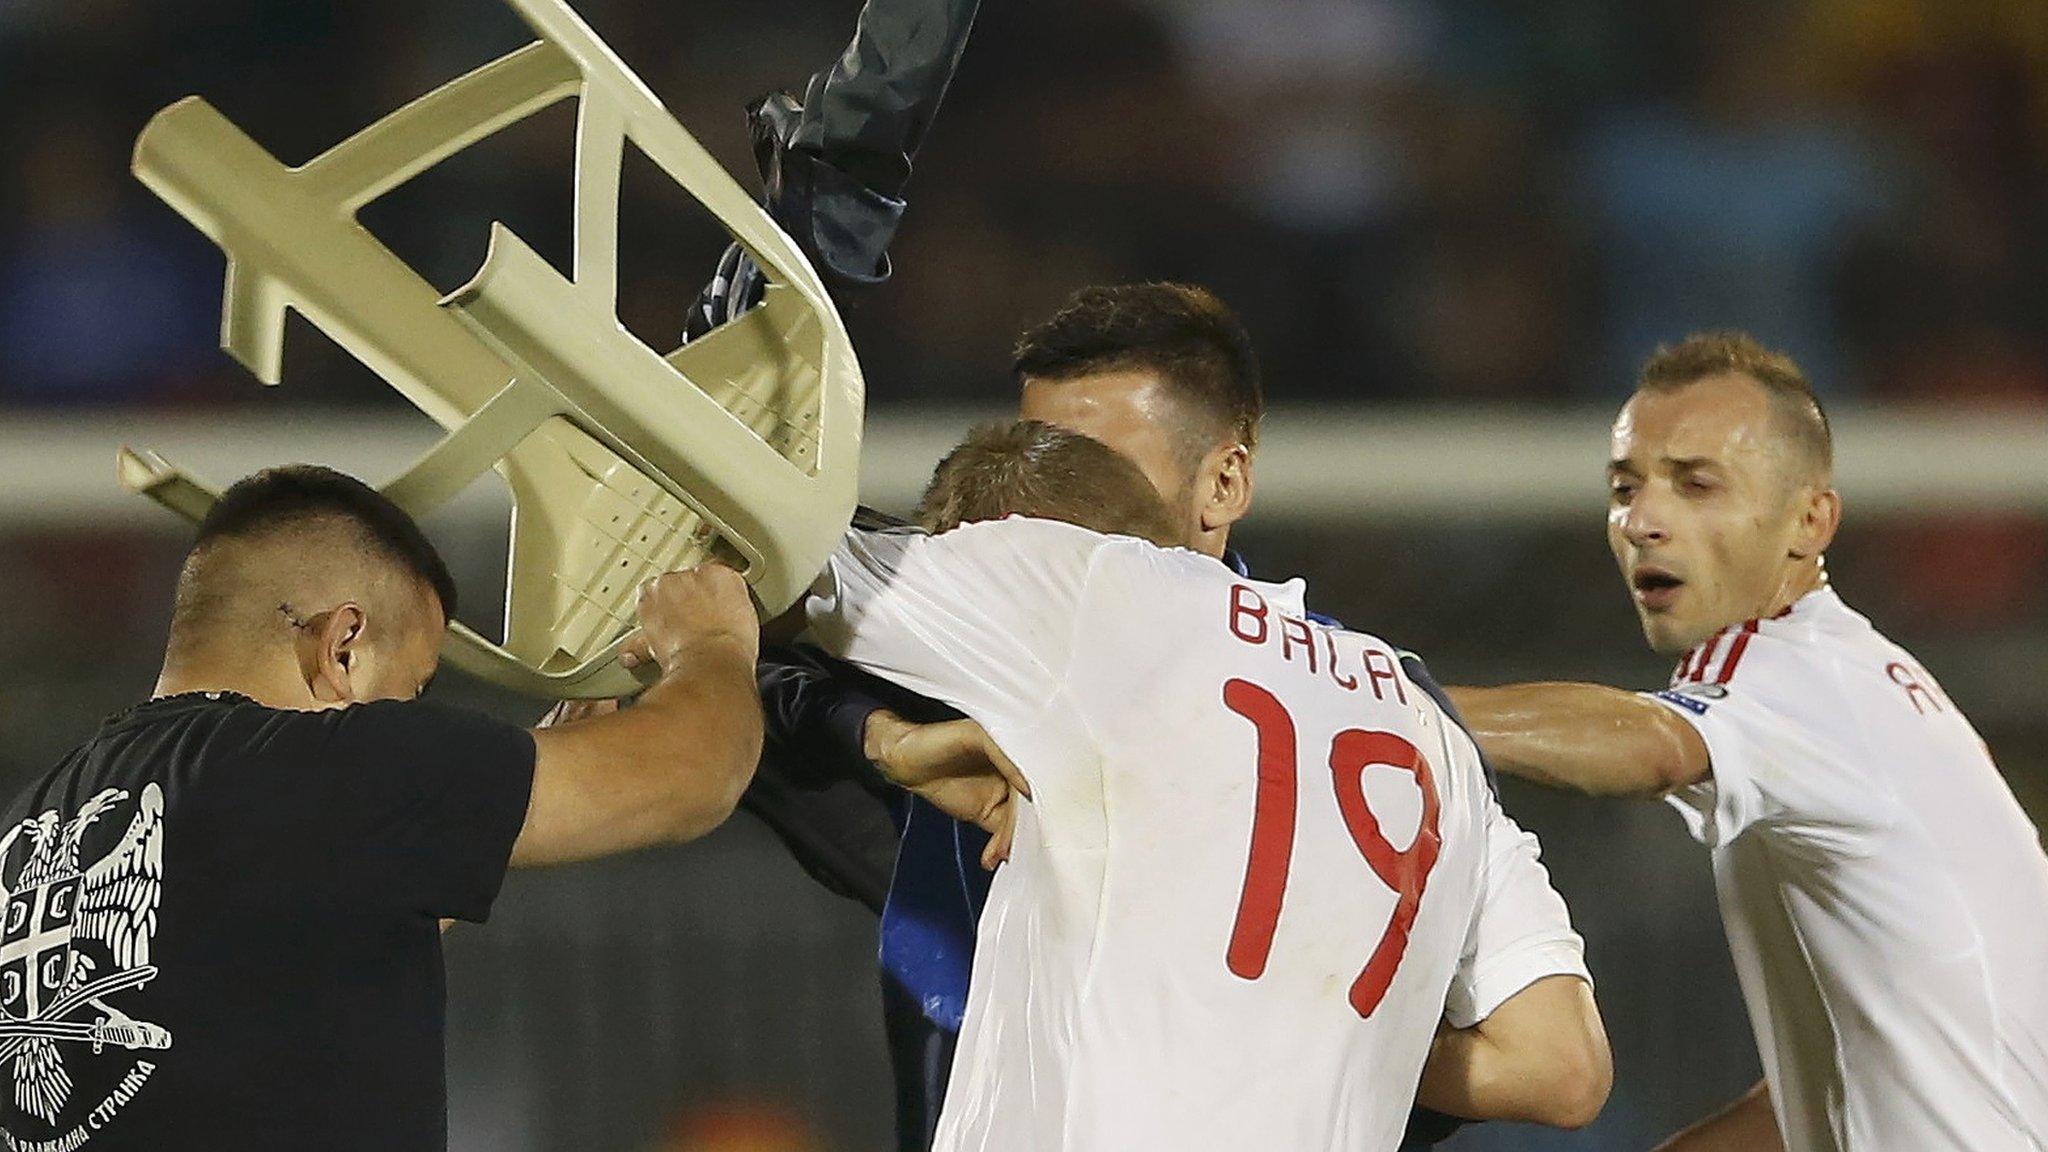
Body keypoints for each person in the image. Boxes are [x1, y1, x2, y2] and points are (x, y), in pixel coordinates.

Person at [742, 282, 1594, 1149]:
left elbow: (742, 548)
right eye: (1032, 453)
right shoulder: (1418, 713)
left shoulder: (1090, 609)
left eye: (1086, 465)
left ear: (1224, 482)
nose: (1031, 509)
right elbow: (1557, 1061)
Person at [0, 465, 762, 1151]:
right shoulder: (325, 764)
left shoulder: (34, 825)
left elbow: (281, 944)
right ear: (344, 645)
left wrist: (507, 794)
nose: (409, 710)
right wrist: (713, 642)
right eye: (416, 684)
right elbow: (699, 772)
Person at [1445, 332, 2048, 1151]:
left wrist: (1377, 696)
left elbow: (1652, 745)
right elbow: (1809, 1101)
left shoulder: (1790, 670)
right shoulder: (1857, 682)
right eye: (1626, 488)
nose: (1644, 521)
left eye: (1697, 486)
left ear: (1810, 519)